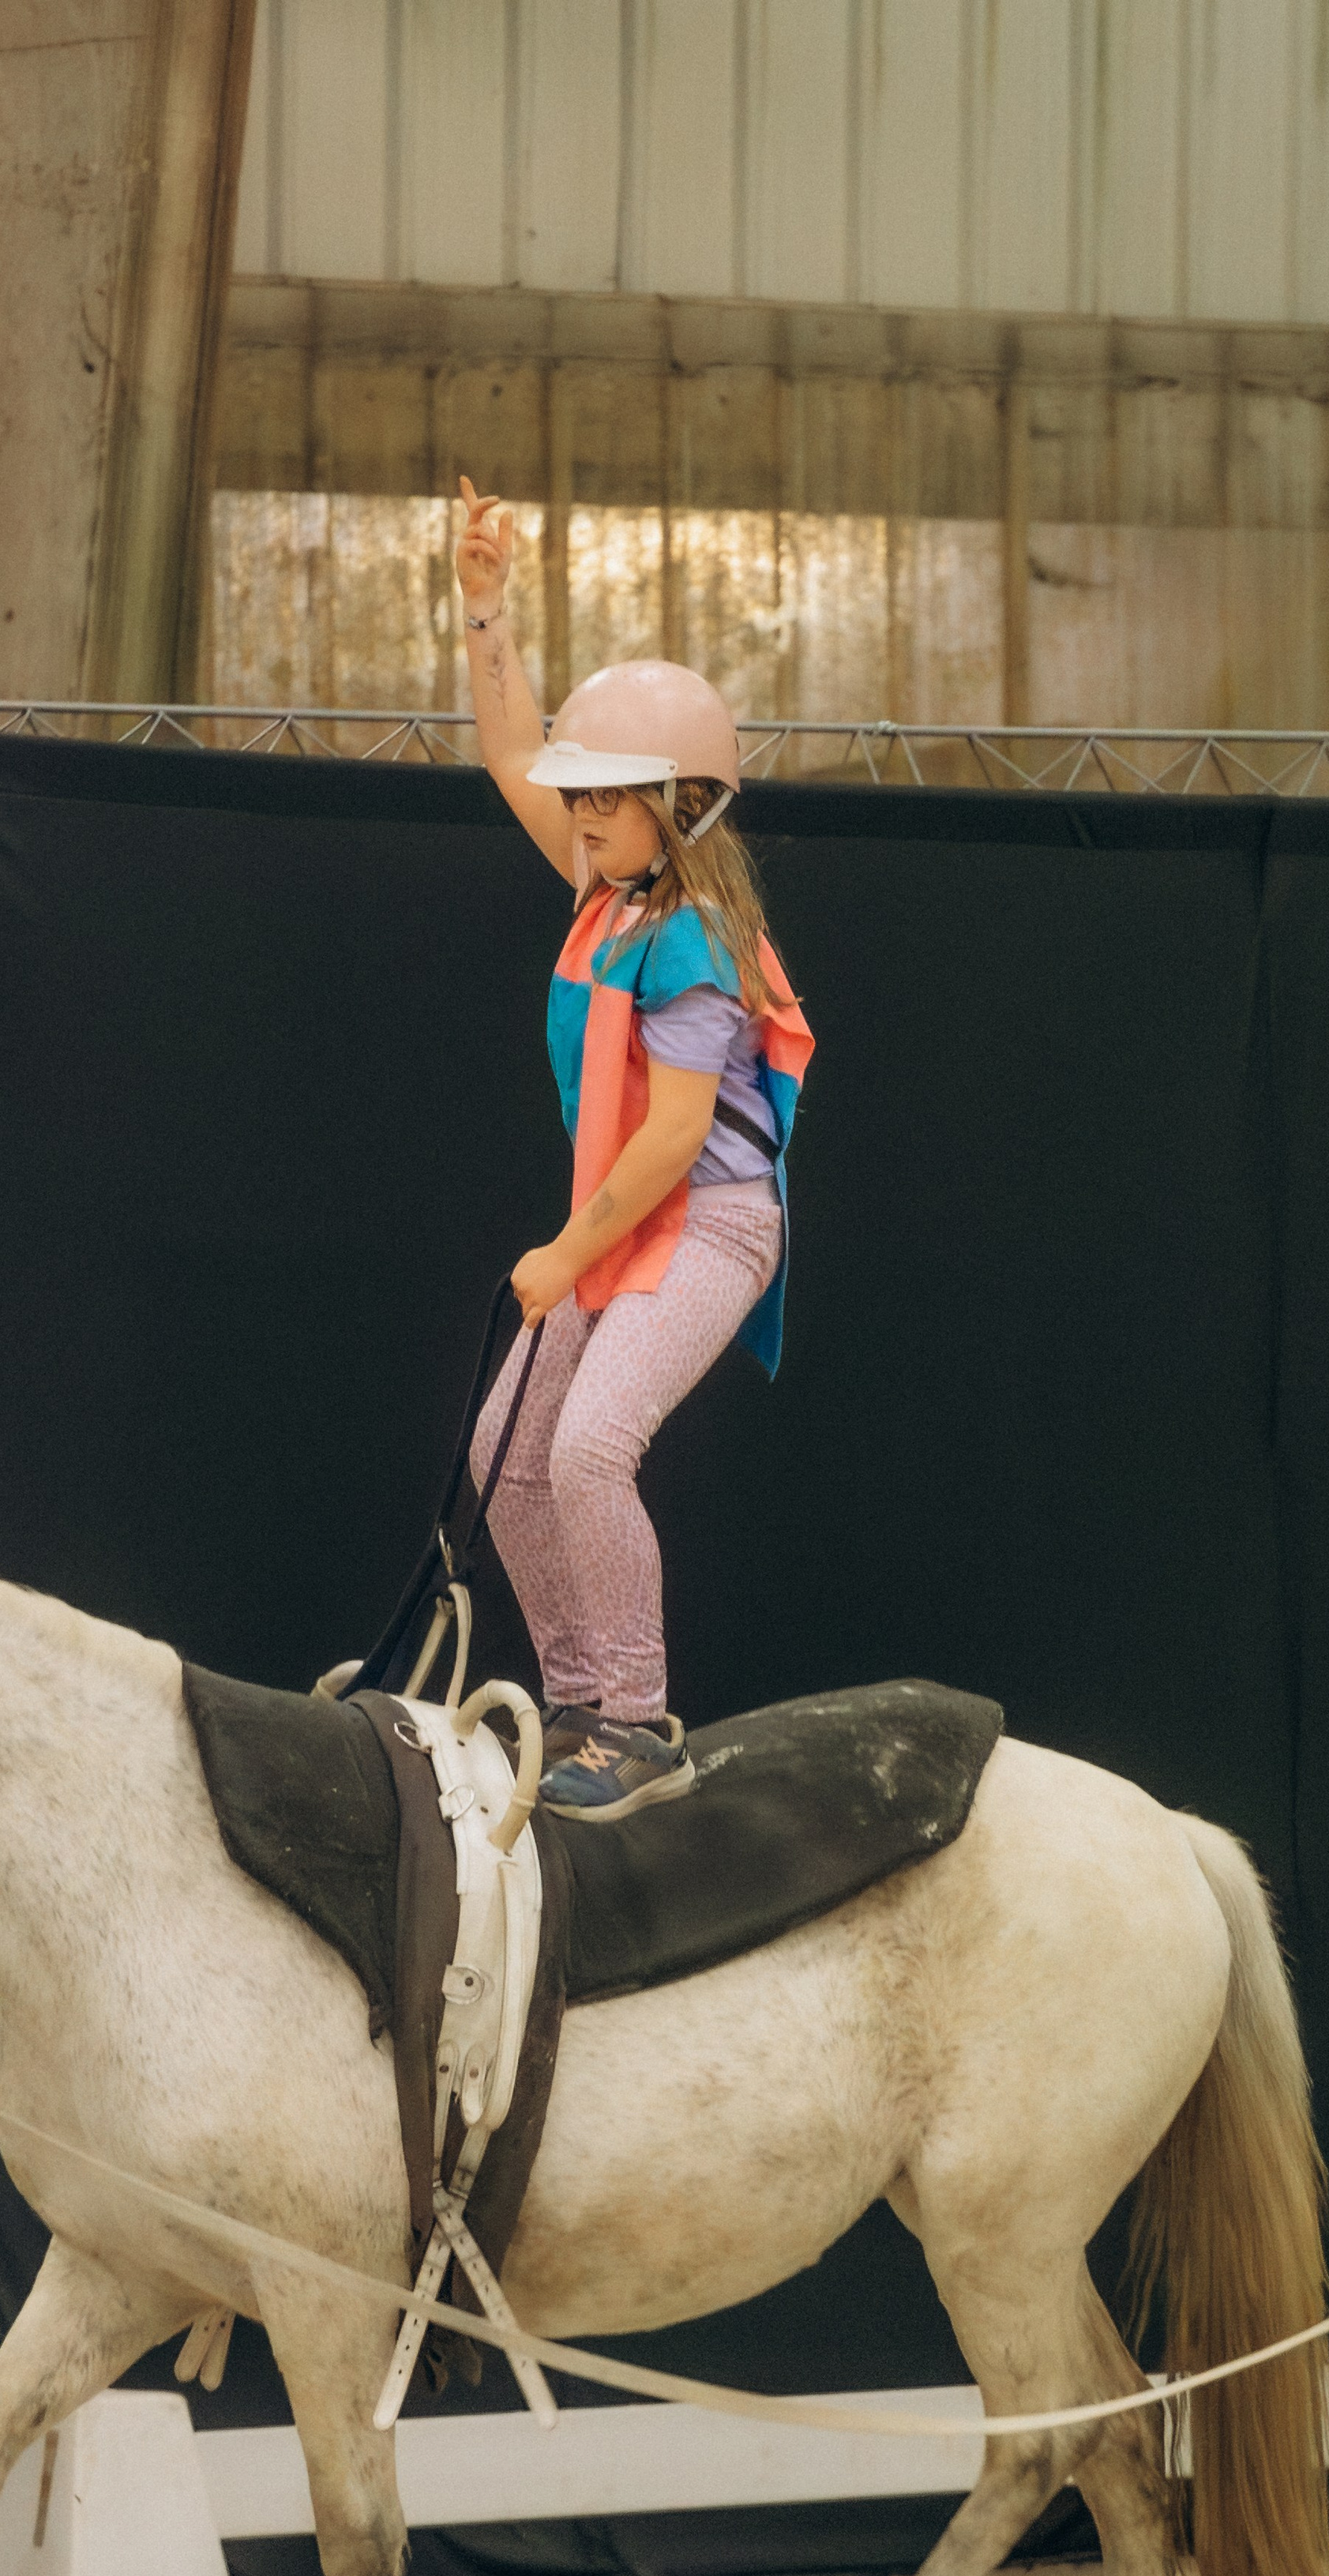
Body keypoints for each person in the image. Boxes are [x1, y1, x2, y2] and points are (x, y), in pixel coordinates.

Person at [456, 474, 814, 1821]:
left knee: (592, 1449)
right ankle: (574, 1707)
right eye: (586, 802)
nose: (583, 818)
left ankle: (640, 1721)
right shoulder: (610, 893)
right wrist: (488, 613)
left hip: (703, 1225)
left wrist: (561, 1253)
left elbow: (675, 1143)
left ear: (685, 805)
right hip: (626, 1221)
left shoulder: (696, 940)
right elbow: (509, 757)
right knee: (511, 1455)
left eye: (609, 800)